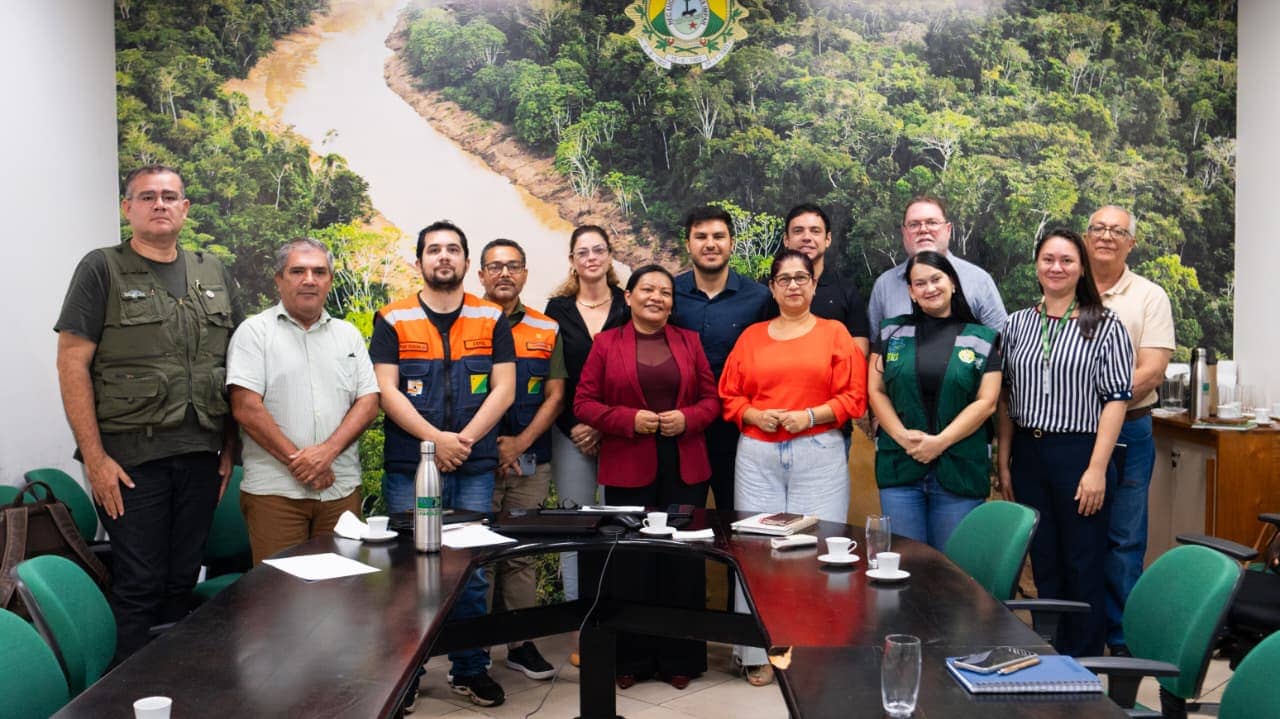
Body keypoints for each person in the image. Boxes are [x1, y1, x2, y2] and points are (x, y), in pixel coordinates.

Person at [54, 164, 239, 661]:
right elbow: (72, 363)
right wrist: (95, 459)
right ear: (128, 208)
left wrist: (230, 448)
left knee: (182, 579)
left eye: (170, 196)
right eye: (147, 196)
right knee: (139, 583)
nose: (160, 204)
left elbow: (235, 363)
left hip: (200, 455)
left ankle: (173, 685)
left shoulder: (213, 271)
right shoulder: (102, 268)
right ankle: (125, 693)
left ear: (185, 208)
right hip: (129, 460)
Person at [371, 220, 515, 707]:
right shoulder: (392, 318)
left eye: (453, 249)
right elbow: (386, 391)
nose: (444, 257)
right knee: (410, 572)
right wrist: (436, 441)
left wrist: (464, 441)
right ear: (419, 262)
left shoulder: (491, 318)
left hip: (474, 465)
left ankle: (470, 669)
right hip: (410, 466)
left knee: (470, 571)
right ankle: (406, 674)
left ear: (467, 263)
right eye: (434, 250)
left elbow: (504, 389)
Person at [720, 249, 868, 685]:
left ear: (814, 285)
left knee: (816, 549)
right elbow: (729, 394)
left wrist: (809, 416)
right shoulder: (751, 338)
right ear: (772, 287)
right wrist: (753, 414)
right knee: (756, 552)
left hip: (818, 452)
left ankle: (812, 650)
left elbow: (854, 396)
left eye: (801, 277)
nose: (793, 285)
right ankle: (757, 654)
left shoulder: (835, 334)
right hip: (758, 455)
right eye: (783, 279)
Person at [575, 265, 721, 691]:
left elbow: (712, 401)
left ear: (673, 302)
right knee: (631, 563)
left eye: (666, 292)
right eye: (648, 289)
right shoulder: (606, 343)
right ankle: (631, 659)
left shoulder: (689, 341)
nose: (657, 297)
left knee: (682, 562)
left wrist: (688, 418)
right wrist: (628, 420)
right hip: (627, 465)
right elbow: (584, 403)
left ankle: (681, 659)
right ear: (629, 296)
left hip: (685, 466)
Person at [997, 228, 1133, 657]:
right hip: (1029, 453)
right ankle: (1053, 656)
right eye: (1048, 259)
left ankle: (1087, 664)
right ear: (1037, 265)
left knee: (1083, 562)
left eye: (1067, 260)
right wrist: (1004, 462)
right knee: (1044, 561)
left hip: (1080, 454)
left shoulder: (1105, 325)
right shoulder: (1016, 324)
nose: (1056, 268)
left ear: (1081, 268)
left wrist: (1097, 469)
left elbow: (1116, 400)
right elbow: (1006, 398)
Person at [226, 239, 379, 565]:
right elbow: (246, 408)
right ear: (278, 279)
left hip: (340, 490)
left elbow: (368, 402)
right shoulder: (254, 333)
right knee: (280, 589)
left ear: (330, 281)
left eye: (319, 272)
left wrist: (327, 454)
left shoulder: (348, 335)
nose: (309, 280)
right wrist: (303, 464)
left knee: (342, 586)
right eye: (297, 271)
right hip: (276, 493)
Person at [1084, 206, 1175, 656]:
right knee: (1076, 538)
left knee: (1123, 540)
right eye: (1098, 229)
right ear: (1086, 237)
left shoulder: (1149, 296)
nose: (1106, 236)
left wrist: (1094, 402)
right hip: (1070, 436)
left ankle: (1122, 643)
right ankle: (1078, 635)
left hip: (1130, 433)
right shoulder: (1066, 285)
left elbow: (1152, 370)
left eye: (1117, 231)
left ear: (1131, 243)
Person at [868, 251, 1002, 551]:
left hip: (959, 470)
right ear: (911, 292)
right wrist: (903, 437)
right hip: (900, 468)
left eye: (936, 279)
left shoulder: (982, 338)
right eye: (920, 283)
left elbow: (987, 402)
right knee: (903, 565)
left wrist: (939, 442)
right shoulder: (890, 332)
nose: (929, 288)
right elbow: (876, 390)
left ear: (952, 282)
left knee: (952, 568)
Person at [477, 238, 565, 680]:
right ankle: (472, 650)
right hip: (476, 462)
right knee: (477, 556)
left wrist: (520, 444)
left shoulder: (546, 328)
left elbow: (555, 396)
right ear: (481, 275)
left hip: (532, 461)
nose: (504, 274)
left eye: (513, 266)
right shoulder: (465, 322)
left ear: (526, 274)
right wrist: (490, 447)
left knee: (521, 554)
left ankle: (520, 643)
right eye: (495, 266)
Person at [543, 225, 628, 627]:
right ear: (572, 261)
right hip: (570, 432)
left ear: (610, 256)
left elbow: (639, 373)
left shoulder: (628, 305)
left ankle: (616, 617)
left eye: (598, 250)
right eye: (583, 252)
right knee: (574, 526)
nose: (591, 257)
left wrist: (602, 424)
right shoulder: (556, 310)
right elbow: (552, 378)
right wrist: (578, 424)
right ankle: (579, 618)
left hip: (620, 434)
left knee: (619, 525)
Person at [671, 205, 769, 512]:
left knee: (738, 519)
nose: (710, 244)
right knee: (682, 520)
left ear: (732, 243)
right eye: (701, 237)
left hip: (738, 429)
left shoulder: (759, 298)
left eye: (718, 236)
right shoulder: (668, 294)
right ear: (688, 244)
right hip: (682, 429)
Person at [868, 195, 1007, 332]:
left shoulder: (979, 280)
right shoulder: (884, 286)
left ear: (948, 230)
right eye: (914, 224)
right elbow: (876, 344)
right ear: (904, 232)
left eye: (932, 222)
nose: (923, 229)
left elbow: (1002, 341)